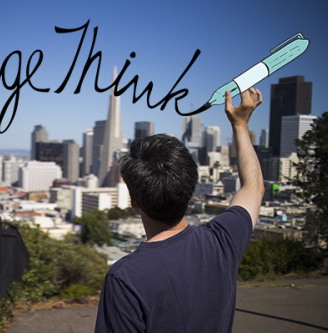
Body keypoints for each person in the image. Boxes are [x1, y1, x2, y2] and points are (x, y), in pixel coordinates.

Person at [95, 88, 264, 332]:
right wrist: (240, 125)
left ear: (133, 200)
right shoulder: (222, 241)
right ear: (189, 190)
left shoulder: (125, 279)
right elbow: (254, 187)